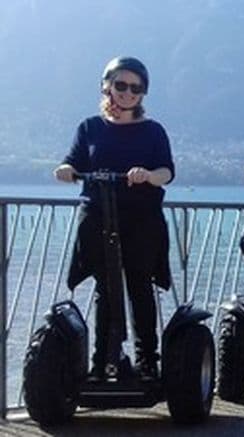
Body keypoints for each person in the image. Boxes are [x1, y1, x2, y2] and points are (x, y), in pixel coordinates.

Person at [54, 56, 174, 380]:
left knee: (140, 288)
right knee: (105, 290)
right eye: (120, 85)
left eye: (135, 87)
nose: (127, 92)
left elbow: (167, 171)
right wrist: (66, 171)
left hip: (141, 221)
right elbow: (72, 161)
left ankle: (148, 361)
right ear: (107, 86)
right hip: (99, 218)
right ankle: (103, 361)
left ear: (143, 93)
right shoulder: (90, 127)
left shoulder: (152, 131)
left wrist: (148, 175)